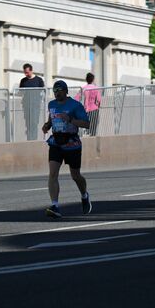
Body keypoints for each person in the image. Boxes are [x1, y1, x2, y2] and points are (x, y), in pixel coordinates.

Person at [41, 80, 90, 219]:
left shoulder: (75, 105)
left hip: (72, 143)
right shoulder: (52, 105)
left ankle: (84, 195)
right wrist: (46, 126)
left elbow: (86, 124)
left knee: (75, 176)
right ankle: (55, 206)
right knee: (53, 174)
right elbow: (51, 120)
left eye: (59, 90)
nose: (56, 93)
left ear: (65, 91)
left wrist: (70, 120)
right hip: (56, 143)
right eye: (55, 91)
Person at [18, 63, 46, 141]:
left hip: (36, 105)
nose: (26, 74)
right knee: (28, 123)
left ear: (31, 71)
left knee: (34, 122)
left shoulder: (39, 80)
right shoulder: (23, 81)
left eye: (27, 72)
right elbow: (21, 92)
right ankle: (29, 139)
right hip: (26, 105)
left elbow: (43, 91)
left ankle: (34, 139)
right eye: (25, 72)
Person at [79, 72, 103, 137]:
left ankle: (86, 135)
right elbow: (98, 99)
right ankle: (92, 138)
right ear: (93, 80)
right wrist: (98, 105)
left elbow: (77, 98)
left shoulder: (83, 88)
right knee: (94, 125)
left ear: (86, 79)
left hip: (86, 109)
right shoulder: (96, 88)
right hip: (94, 108)